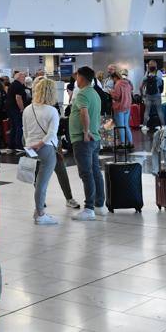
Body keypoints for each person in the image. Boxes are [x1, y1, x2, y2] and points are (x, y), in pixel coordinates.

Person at [23, 77, 61, 225]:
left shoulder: (28, 109)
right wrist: (40, 143)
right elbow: (52, 133)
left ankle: (38, 210)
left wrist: (30, 144)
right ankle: (40, 213)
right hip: (46, 148)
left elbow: (25, 130)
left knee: (37, 181)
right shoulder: (52, 111)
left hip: (30, 148)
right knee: (42, 183)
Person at [70, 67, 105, 221]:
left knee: (86, 173)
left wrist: (85, 132)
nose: (76, 80)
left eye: (77, 76)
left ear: (82, 78)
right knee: (95, 171)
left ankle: (89, 208)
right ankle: (99, 204)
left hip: (83, 139)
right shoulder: (95, 93)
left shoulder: (82, 93)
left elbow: (84, 113)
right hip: (94, 138)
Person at [5, 71, 28, 153]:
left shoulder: (12, 85)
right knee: (19, 126)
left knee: (13, 127)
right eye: (23, 77)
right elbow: (18, 98)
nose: (24, 79)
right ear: (20, 78)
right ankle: (19, 145)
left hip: (9, 108)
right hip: (16, 109)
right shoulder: (19, 86)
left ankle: (11, 146)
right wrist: (22, 109)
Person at [110, 71, 133, 147]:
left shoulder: (118, 84)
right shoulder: (127, 83)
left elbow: (116, 96)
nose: (113, 80)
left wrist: (111, 93)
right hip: (127, 106)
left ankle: (122, 143)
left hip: (119, 107)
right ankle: (131, 142)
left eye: (113, 79)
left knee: (120, 126)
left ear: (115, 77)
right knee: (126, 125)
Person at [141, 62, 163, 130]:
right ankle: (161, 125)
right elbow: (160, 85)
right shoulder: (158, 75)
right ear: (155, 67)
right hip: (157, 95)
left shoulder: (146, 76)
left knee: (147, 111)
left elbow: (141, 86)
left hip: (148, 95)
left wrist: (143, 94)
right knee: (158, 110)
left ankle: (145, 125)